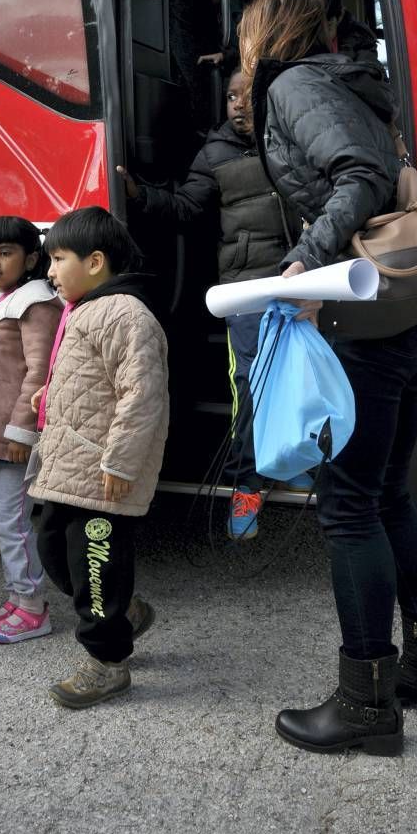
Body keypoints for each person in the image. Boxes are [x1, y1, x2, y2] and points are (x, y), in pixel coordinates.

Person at [242, 0, 417, 756]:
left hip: (369, 326)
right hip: (413, 321)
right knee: (390, 494)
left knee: (348, 509)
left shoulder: (298, 84)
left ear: (265, 35)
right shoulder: (354, 83)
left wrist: (306, 261)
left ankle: (367, 699)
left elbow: (359, 178)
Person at [117, 68, 310, 541]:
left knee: (298, 376)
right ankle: (246, 486)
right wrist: (140, 196)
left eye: (249, 95)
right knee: (251, 385)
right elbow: (184, 208)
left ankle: (290, 461)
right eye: (231, 97)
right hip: (244, 286)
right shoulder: (214, 153)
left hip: (299, 277)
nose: (240, 104)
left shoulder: (288, 138)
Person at [29, 206, 169, 708]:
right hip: (69, 468)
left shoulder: (125, 313)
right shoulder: (86, 310)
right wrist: (48, 399)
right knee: (54, 553)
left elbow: (141, 393)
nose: (49, 271)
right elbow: (92, 386)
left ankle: (107, 663)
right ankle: (123, 611)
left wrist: (121, 462)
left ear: (94, 261)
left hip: (101, 472)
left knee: (94, 568)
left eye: (57, 258)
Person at [0, 217, 62, 642]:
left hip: (15, 436)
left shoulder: (35, 303)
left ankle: (33, 608)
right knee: (8, 520)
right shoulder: (5, 301)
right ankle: (19, 600)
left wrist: (22, 432)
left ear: (32, 258)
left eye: (5, 253)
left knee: (12, 522)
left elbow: (39, 372)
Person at [309, 0, 379, 63]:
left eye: (327, 20)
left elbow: (368, 73)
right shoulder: (298, 40)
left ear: (340, 15)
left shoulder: (361, 41)